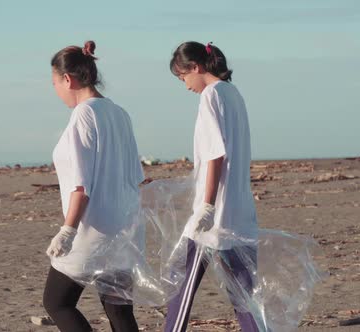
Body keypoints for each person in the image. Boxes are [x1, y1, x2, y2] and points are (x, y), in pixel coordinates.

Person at [43, 40, 144, 332]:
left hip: (93, 229)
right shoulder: (119, 113)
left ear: (67, 79)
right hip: (125, 227)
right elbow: (136, 177)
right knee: (119, 312)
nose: (56, 90)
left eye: (54, 83)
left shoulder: (84, 115)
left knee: (57, 302)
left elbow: (81, 184)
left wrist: (67, 230)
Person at [163, 41, 259, 332]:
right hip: (239, 210)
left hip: (214, 215)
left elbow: (216, 154)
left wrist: (206, 205)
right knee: (244, 296)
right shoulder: (233, 92)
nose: (185, 85)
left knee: (182, 286)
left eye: (183, 77)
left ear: (196, 67)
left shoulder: (211, 95)